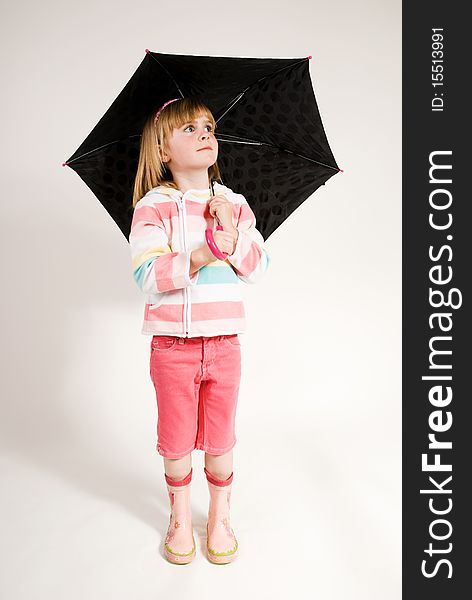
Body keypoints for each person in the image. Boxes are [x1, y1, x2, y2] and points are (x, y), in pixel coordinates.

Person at [129, 96, 270, 564]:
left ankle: (219, 515)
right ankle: (178, 515)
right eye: (188, 129)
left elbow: (258, 267)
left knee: (220, 437)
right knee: (175, 438)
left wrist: (232, 237)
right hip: (172, 345)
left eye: (207, 126)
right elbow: (147, 275)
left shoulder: (234, 203)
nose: (204, 133)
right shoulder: (155, 206)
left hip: (225, 342)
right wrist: (197, 256)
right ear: (163, 149)